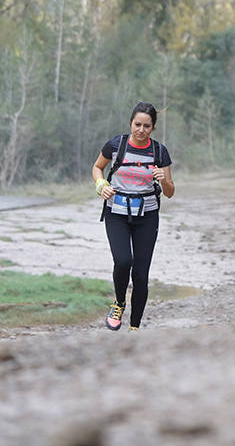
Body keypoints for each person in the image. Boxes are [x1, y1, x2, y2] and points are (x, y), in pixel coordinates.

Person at [92, 102, 175, 331]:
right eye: (137, 124)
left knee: (140, 274)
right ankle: (118, 303)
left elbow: (169, 192)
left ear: (153, 128)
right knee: (123, 261)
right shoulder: (116, 145)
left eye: (146, 126)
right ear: (131, 123)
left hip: (147, 217)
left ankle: (134, 327)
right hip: (116, 213)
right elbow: (97, 167)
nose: (141, 129)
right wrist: (101, 185)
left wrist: (164, 180)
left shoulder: (159, 152)